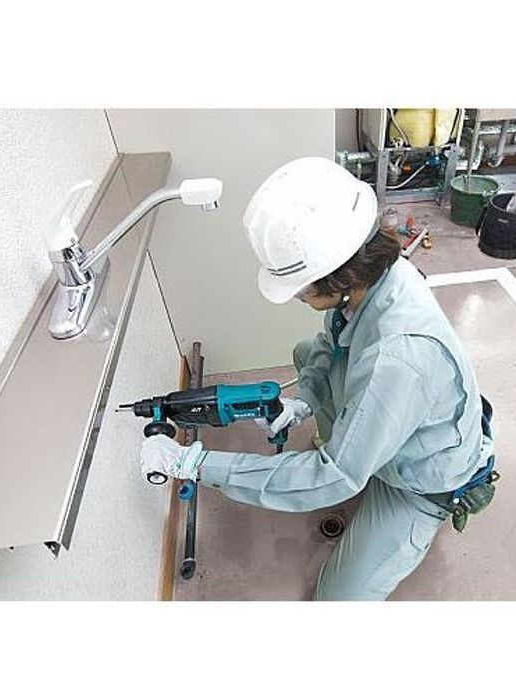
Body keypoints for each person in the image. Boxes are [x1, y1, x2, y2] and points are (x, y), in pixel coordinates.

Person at [140, 157, 495, 600]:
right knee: (308, 353)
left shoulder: (398, 358)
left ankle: (398, 493)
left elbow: (331, 478)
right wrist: (304, 400)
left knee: (336, 600)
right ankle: (351, 443)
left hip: (421, 480)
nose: (297, 297)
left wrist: (194, 465)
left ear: (337, 277)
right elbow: (331, 343)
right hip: (401, 412)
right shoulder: (374, 280)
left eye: (301, 288)